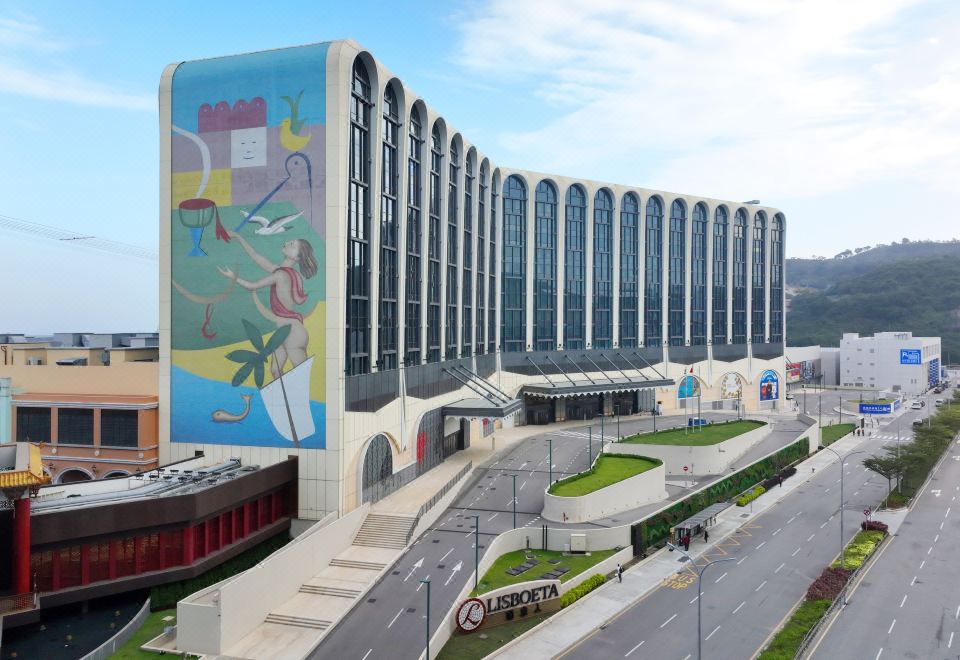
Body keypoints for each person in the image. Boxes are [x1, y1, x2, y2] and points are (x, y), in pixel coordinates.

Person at [219, 233, 318, 379]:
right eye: (290, 241)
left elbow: (252, 286)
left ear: (297, 257)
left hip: (293, 333)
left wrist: (231, 276)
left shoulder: (280, 275)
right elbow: (255, 256)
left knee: (301, 375)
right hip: (282, 333)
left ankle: (298, 402)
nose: (288, 243)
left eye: (293, 245)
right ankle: (285, 402)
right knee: (275, 371)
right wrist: (240, 238)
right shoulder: (281, 271)